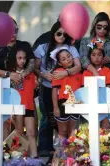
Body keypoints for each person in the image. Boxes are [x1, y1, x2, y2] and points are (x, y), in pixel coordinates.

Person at [34, 21, 81, 158]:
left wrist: (65, 73)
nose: (61, 36)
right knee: (47, 118)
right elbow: (35, 68)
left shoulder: (71, 48)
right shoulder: (43, 47)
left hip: (67, 90)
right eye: (58, 33)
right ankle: (44, 148)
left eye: (64, 34)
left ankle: (68, 153)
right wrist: (43, 74)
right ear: (53, 33)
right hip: (48, 87)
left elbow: (77, 66)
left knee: (68, 122)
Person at [0, 19, 35, 140]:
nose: (13, 33)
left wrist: (22, 74)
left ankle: (30, 153)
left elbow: (32, 62)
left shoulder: (24, 45)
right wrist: (10, 74)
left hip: (25, 91)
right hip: (5, 92)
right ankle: (7, 152)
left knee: (31, 125)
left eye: (15, 30)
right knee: (7, 124)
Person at [5, 42, 38, 157]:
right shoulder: (12, 76)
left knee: (31, 133)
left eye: (24, 58)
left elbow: (33, 90)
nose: (22, 61)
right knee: (19, 134)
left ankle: (34, 157)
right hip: (17, 108)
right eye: (19, 58)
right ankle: (19, 158)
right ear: (14, 58)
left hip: (28, 107)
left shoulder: (31, 75)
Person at [82, 39, 110, 129]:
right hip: (90, 105)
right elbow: (85, 91)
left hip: (104, 103)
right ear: (90, 57)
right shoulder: (86, 73)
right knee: (90, 129)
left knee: (106, 128)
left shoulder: (108, 71)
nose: (96, 57)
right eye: (93, 55)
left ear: (103, 57)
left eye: (99, 55)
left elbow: (108, 90)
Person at [51, 48, 82, 139]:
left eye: (69, 56)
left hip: (76, 103)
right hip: (62, 103)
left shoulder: (79, 73)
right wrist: (56, 107)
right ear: (60, 63)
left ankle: (71, 152)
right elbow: (54, 91)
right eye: (64, 59)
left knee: (73, 131)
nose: (68, 59)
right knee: (62, 131)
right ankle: (60, 152)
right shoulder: (58, 73)